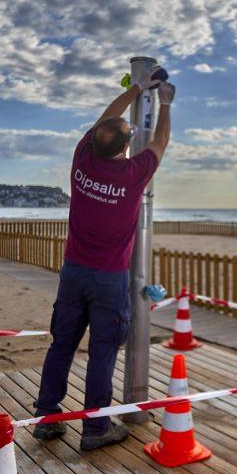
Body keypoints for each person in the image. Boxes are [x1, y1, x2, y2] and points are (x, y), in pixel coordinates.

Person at [33, 66, 175, 450]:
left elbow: (105, 122)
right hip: (109, 279)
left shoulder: (83, 157)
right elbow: (160, 142)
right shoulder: (131, 173)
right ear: (125, 147)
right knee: (102, 352)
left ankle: (46, 417)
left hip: (73, 273)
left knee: (61, 344)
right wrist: (164, 104)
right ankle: (95, 429)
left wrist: (136, 90)